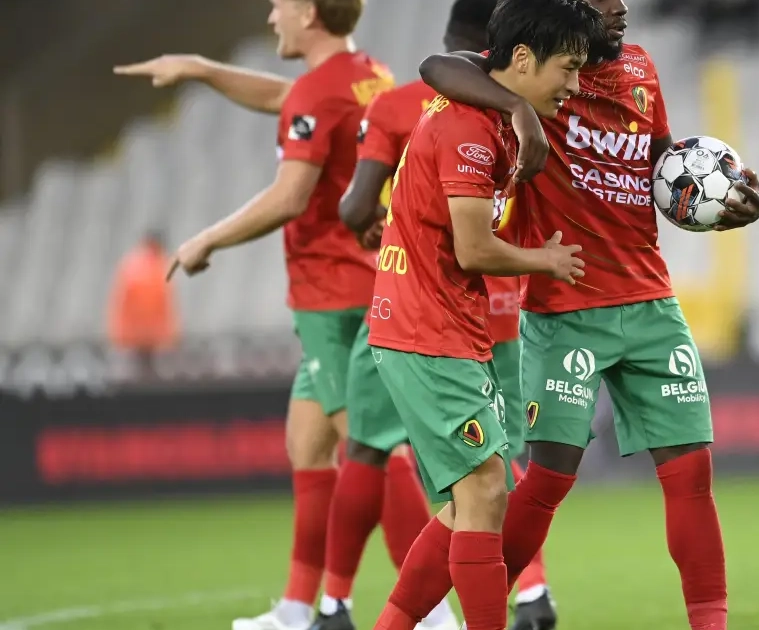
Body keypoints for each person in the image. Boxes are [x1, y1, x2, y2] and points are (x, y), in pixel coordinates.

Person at [399, 1, 759, 630]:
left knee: (692, 475)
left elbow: (659, 166)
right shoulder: (538, 74)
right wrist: (518, 110)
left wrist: (716, 196)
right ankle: (438, 615)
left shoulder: (641, 67)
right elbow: (437, 65)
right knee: (545, 482)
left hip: (650, 302)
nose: (621, 8)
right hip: (564, 307)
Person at [112, 2, 448, 629]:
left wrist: (206, 238)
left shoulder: (321, 91)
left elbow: (291, 195)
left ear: (309, 13)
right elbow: (286, 99)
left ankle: (432, 615)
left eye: (281, 5)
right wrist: (203, 69)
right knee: (308, 443)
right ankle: (296, 610)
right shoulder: (368, 73)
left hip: (332, 292)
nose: (272, 16)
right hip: (365, 279)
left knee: (372, 448)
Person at [366, 1, 598, 629]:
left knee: (472, 501)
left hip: (444, 327)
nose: (575, 84)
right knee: (486, 490)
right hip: (424, 330)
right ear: (522, 59)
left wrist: (521, 111)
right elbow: (473, 248)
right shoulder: (470, 130)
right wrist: (545, 261)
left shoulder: (489, 113)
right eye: (568, 67)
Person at [106, 230, 179, 380]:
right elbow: (165, 309)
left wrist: (118, 336)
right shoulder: (160, 268)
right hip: (151, 342)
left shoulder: (130, 265)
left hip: (130, 340)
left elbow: (120, 305)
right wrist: (168, 337)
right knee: (150, 382)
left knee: (130, 381)